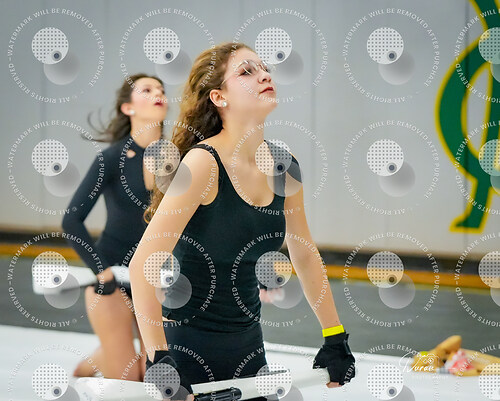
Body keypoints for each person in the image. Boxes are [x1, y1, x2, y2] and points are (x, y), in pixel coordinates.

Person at [129, 42, 355, 401]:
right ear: (219, 97)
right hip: (186, 354)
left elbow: (304, 252)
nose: (264, 75)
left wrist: (335, 336)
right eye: (247, 71)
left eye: (264, 68)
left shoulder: (284, 164)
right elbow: (144, 264)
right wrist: (159, 360)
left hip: (250, 352)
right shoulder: (202, 164)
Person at [61, 73, 168, 380]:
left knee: (156, 374)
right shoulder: (111, 158)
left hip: (157, 279)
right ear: (127, 108)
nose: (158, 93)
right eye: (146, 90)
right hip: (113, 280)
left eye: (161, 89)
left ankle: (101, 357)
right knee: (129, 379)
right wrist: (101, 269)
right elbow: (71, 220)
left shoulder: (180, 157)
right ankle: (104, 358)